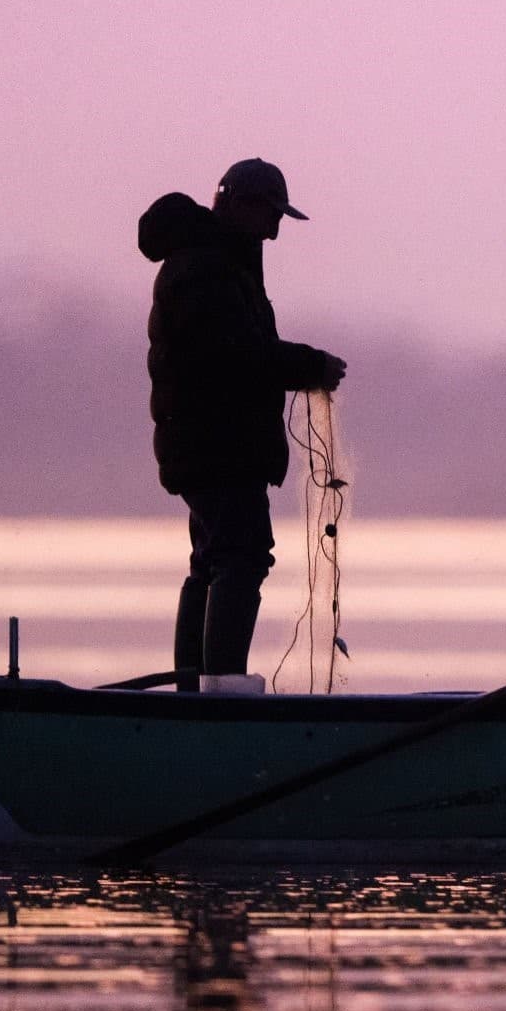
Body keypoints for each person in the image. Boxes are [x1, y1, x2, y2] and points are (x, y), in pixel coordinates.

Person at [138, 159, 347, 692]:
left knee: (212, 560)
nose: (276, 230)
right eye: (270, 214)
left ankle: (195, 691)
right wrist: (310, 366)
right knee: (241, 557)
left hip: (209, 447)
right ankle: (219, 692)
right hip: (217, 448)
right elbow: (238, 354)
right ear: (236, 205)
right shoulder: (206, 267)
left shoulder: (218, 262)